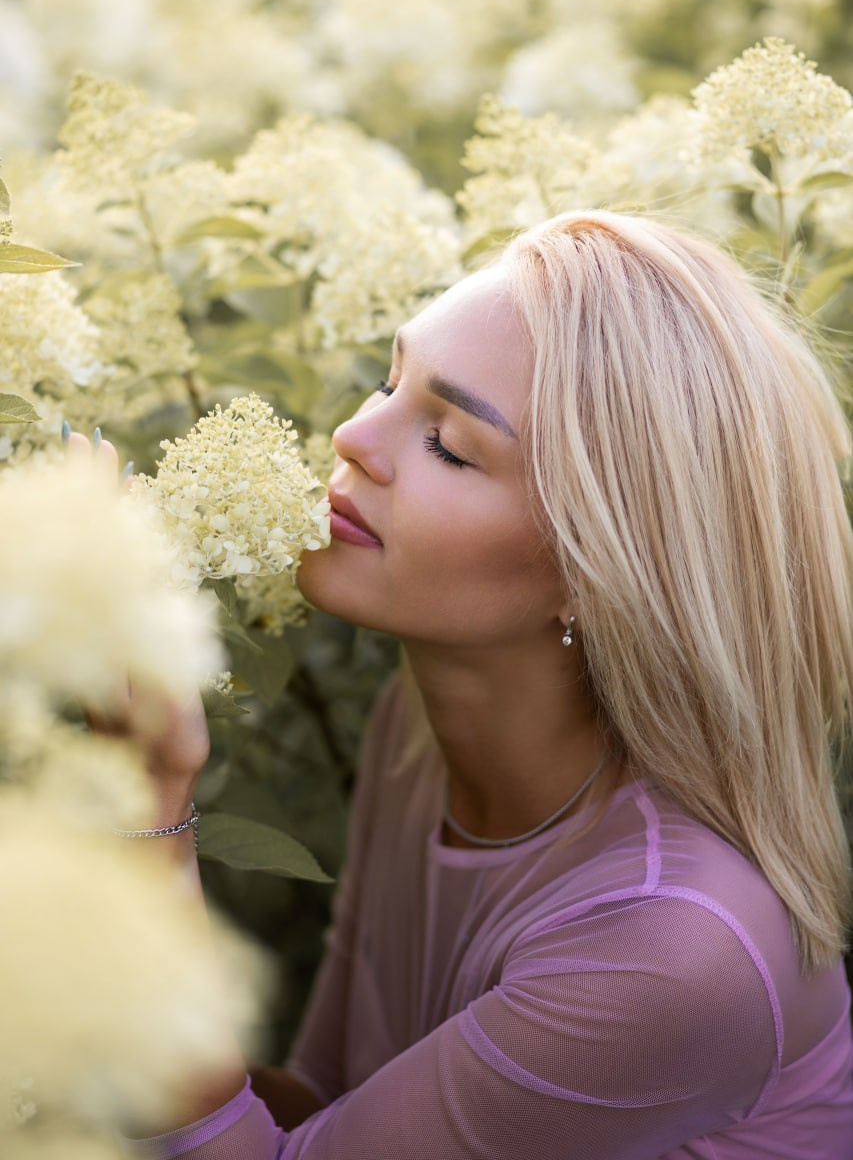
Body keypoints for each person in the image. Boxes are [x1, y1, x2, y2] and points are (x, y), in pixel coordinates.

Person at [93, 211, 852, 1158]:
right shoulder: (417, 729)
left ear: (599, 567)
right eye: (387, 379)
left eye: (449, 444)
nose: (352, 435)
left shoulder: (670, 949)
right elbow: (328, 1105)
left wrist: (145, 808)